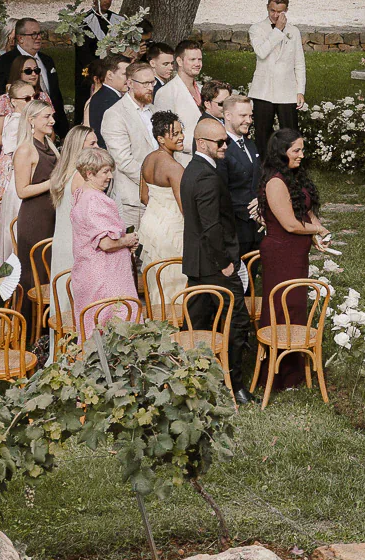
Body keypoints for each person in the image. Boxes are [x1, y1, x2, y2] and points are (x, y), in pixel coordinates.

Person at [181, 117, 257, 403]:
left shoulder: (193, 170)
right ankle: (234, 385)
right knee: (236, 321)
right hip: (214, 265)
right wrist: (226, 263)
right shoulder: (207, 176)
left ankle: (194, 382)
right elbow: (211, 226)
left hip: (197, 264)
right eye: (220, 142)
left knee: (197, 324)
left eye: (226, 141)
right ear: (201, 143)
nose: (226, 146)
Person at [255, 128, 330, 390]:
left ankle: (293, 373)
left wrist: (319, 231)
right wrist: (315, 231)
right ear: (281, 152)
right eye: (296, 150)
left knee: (296, 305)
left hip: (297, 253)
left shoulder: (294, 176)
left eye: (302, 149)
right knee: (280, 306)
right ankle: (274, 375)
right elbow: (290, 224)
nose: (301, 154)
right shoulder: (276, 181)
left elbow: (305, 214)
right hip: (280, 252)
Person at [69, 148, 141, 342]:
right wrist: (128, 240)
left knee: (93, 331)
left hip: (88, 273)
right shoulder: (95, 199)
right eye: (105, 172)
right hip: (106, 277)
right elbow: (106, 243)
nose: (110, 176)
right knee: (116, 333)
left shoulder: (80, 194)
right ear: (90, 173)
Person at [11, 101, 59, 332]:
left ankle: (46, 327)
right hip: (34, 219)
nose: (51, 121)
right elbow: (22, 190)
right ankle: (30, 331)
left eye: (52, 116)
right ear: (31, 120)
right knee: (35, 273)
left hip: (51, 216)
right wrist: (53, 183)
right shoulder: (25, 149)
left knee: (49, 270)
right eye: (46, 117)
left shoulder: (49, 144)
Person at [47, 125, 99, 333]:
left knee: (64, 303)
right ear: (79, 147)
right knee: (79, 304)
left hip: (62, 243)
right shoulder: (80, 177)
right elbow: (88, 218)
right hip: (76, 245)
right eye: (92, 143)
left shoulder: (62, 172)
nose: (98, 147)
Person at [136, 110, 188, 316]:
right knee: (175, 284)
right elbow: (185, 207)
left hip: (151, 225)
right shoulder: (175, 168)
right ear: (161, 139)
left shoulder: (147, 160)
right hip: (173, 230)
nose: (181, 136)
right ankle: (176, 334)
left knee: (155, 281)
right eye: (174, 134)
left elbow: (143, 196)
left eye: (181, 131)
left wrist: (159, 211)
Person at [102, 61, 160, 228]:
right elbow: (124, 161)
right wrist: (155, 182)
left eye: (152, 82)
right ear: (129, 84)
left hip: (159, 196)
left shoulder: (154, 110)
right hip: (132, 200)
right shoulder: (115, 114)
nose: (150, 87)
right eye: (145, 83)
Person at [249, 0, 306, 154]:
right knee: (262, 135)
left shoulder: (294, 31)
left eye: (280, 12)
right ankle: (264, 171)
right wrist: (278, 31)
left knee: (290, 135)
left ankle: (292, 170)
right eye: (272, 11)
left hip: (287, 90)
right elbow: (261, 52)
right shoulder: (256, 29)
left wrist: (300, 90)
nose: (275, 15)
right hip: (263, 90)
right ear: (267, 7)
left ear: (286, 10)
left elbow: (299, 62)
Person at [0, 18, 66, 135]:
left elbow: (56, 95)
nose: (38, 37)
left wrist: (62, 129)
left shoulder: (47, 61)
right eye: (33, 34)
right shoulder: (3, 63)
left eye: (40, 33)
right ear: (20, 38)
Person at [0, 80, 37, 266]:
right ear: (13, 101)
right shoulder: (16, 121)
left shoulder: (23, 119)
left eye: (34, 97)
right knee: (15, 221)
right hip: (14, 175)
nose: (31, 101)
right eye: (26, 98)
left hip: (17, 170)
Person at [220, 95, 263, 269]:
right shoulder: (221, 147)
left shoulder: (250, 144)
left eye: (250, 116)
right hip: (235, 226)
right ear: (228, 116)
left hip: (255, 225)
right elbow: (221, 189)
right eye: (243, 116)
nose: (248, 121)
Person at [152, 39, 205, 155]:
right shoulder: (166, 92)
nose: (197, 64)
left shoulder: (202, 89)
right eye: (192, 60)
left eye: (199, 59)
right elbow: (165, 134)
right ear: (179, 61)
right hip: (183, 159)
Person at [76, 0, 119, 118]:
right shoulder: (84, 22)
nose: (107, 1)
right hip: (92, 70)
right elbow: (83, 52)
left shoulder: (118, 20)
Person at [87, 54, 128, 145]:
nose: (129, 78)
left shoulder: (103, 95)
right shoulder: (109, 100)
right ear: (109, 75)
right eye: (125, 74)